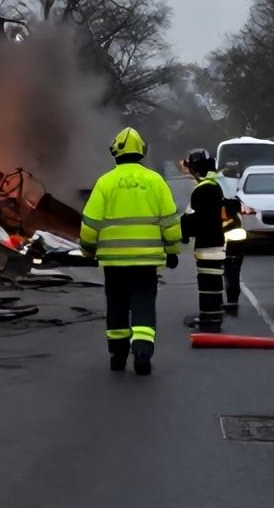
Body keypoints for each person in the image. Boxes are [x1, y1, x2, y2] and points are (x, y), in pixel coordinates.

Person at [79, 127, 182, 375]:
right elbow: (170, 221)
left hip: (114, 263)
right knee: (143, 304)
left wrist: (88, 251)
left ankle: (117, 356)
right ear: (141, 153)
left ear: (115, 153)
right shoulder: (155, 181)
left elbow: (90, 225)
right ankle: (143, 355)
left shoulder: (105, 183)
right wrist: (172, 250)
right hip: (146, 263)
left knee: (116, 306)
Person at [181, 149, 243, 332]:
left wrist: (183, 225)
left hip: (209, 241)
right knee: (213, 280)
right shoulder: (219, 182)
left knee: (207, 281)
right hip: (219, 238)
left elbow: (201, 219)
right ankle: (214, 315)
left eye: (191, 168)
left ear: (196, 168)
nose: (190, 172)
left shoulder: (203, 189)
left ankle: (209, 319)